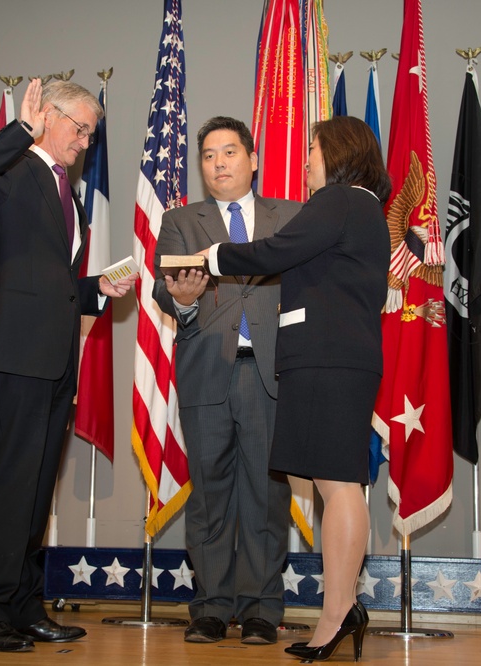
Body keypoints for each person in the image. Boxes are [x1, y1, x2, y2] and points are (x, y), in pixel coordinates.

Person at [0, 78, 137, 653]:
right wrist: (18, 133)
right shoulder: (11, 170)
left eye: (90, 135)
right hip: (14, 356)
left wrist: (96, 289)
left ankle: (23, 605)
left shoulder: (66, 191)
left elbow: (47, 280)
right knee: (8, 486)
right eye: (79, 129)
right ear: (47, 117)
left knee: (34, 492)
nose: (84, 142)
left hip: (53, 360)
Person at [201, 115, 391, 662]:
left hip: (331, 359)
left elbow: (274, 253)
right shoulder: (361, 207)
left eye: (312, 149)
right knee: (336, 484)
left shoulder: (339, 200)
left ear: (338, 152)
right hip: (332, 358)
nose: (306, 158)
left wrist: (216, 257)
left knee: (339, 486)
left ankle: (337, 615)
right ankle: (340, 609)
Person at [153, 116, 300, 645]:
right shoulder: (181, 220)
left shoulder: (292, 217)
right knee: (210, 495)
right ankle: (211, 607)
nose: (219, 164)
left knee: (266, 494)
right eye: (209, 156)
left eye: (230, 152)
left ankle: (262, 608)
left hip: (270, 373)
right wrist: (183, 302)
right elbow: (161, 290)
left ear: (253, 159)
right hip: (206, 373)